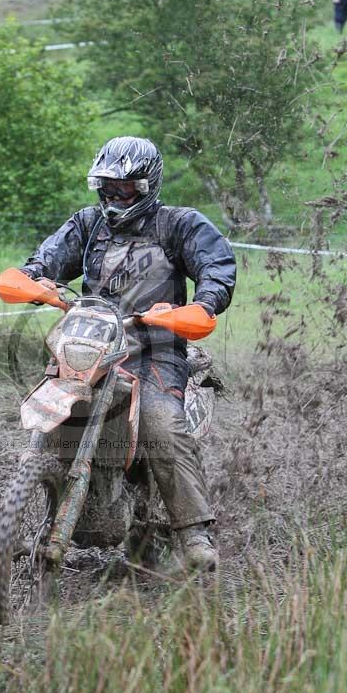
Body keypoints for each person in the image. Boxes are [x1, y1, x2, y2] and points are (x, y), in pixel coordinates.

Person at [19, 136, 236, 572]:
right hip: (90, 345)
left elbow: (217, 267)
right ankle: (36, 489)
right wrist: (31, 276)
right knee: (53, 404)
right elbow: (47, 259)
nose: (115, 195)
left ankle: (194, 532)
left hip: (153, 351)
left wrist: (202, 304)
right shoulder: (88, 224)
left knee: (161, 422)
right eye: (107, 186)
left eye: (126, 187)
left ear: (148, 184)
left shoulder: (179, 224)